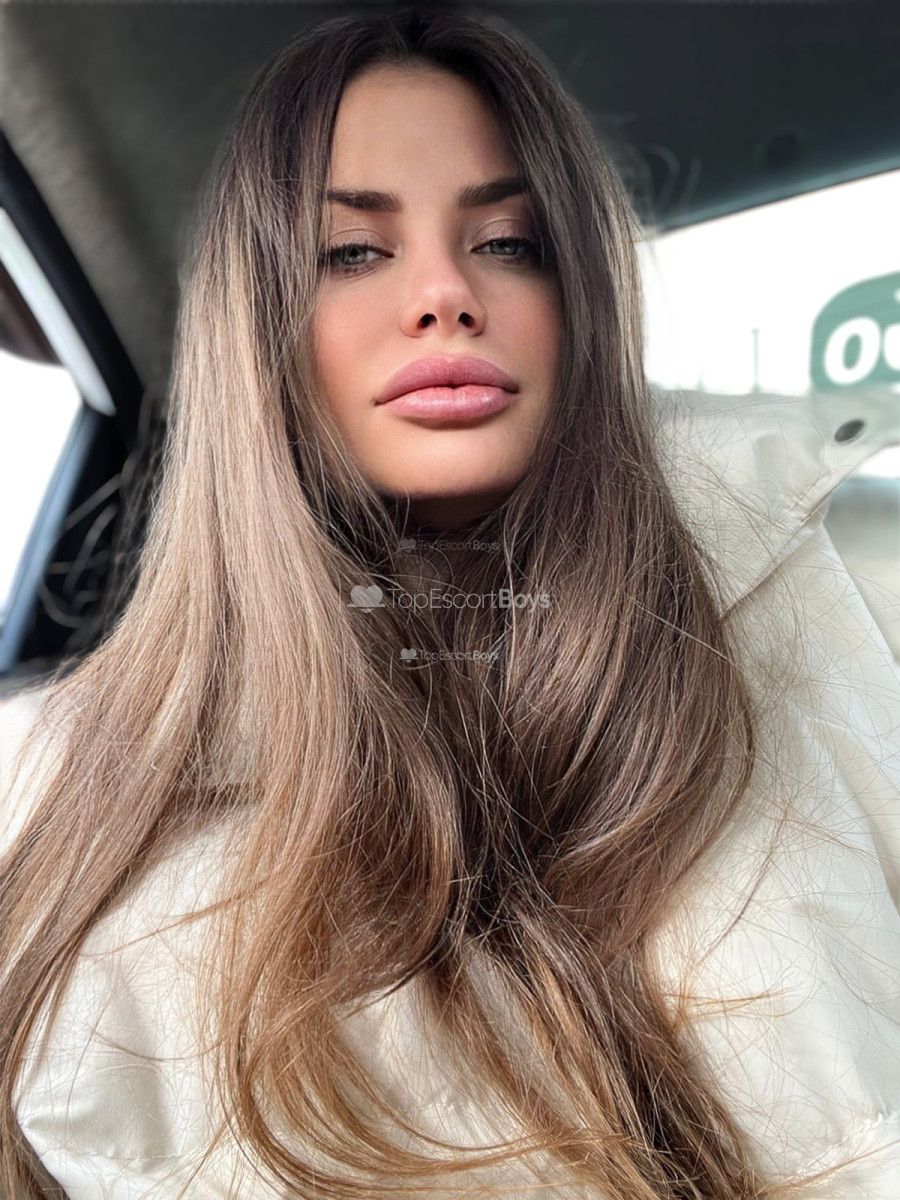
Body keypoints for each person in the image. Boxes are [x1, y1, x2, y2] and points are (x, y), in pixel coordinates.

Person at [1, 7, 899, 1198]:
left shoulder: (851, 599)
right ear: (254, 326)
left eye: (512, 242)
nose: (444, 294)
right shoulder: (52, 785)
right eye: (352, 252)